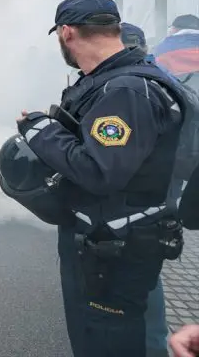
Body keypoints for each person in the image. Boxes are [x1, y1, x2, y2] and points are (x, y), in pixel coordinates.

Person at [17, 0, 184, 357]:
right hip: (109, 241)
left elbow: (99, 171)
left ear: (67, 33)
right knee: (99, 338)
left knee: (112, 343)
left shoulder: (124, 91)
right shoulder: (113, 83)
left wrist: (40, 130)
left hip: (116, 249)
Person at [121, 22, 170, 357]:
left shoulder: (130, 90)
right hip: (157, 209)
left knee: (137, 301)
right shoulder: (158, 79)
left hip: (136, 216)